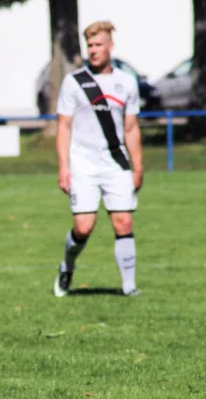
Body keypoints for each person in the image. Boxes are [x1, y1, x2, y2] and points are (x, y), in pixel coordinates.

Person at [53, 20, 143, 297]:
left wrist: (137, 167)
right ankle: (67, 265)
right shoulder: (74, 82)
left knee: (123, 222)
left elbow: (130, 128)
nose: (93, 50)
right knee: (84, 227)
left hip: (116, 163)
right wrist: (64, 167)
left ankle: (129, 287)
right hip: (83, 164)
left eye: (98, 45)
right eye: (89, 45)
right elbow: (63, 126)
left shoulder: (127, 83)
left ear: (110, 47)